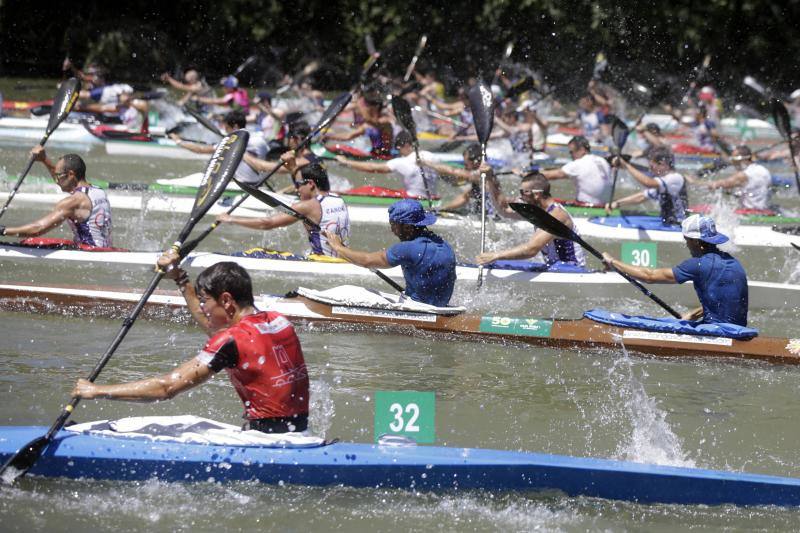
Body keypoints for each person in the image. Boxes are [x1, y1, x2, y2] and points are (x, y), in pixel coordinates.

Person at [72, 261, 310, 434]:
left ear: (226, 300)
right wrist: (180, 278)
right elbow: (220, 331)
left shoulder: (230, 340)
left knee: (159, 429)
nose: (203, 308)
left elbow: (167, 388)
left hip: (263, 439)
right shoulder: (278, 321)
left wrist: (97, 391)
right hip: (297, 432)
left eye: (205, 300)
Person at [601, 214, 748, 326]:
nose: (687, 245)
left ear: (696, 241)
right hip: (739, 330)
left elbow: (649, 276)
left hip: (716, 332)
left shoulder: (697, 264)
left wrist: (613, 262)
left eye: (687, 240)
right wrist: (693, 314)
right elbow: (725, 300)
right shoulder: (734, 263)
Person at [323, 199, 456, 306]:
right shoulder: (445, 245)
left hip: (419, 308)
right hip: (441, 308)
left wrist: (338, 247)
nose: (392, 230)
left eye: (393, 225)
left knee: (349, 290)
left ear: (407, 227)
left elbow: (367, 260)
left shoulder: (407, 248)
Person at [216, 156, 350, 258]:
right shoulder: (338, 199)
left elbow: (267, 223)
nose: (297, 190)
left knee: (258, 253)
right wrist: (293, 168)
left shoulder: (308, 207)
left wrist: (231, 219)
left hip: (321, 262)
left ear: (310, 184)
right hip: (343, 258)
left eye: (298, 185)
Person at [0, 147, 112, 247]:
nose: (57, 181)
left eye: (58, 176)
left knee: (30, 242)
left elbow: (37, 228)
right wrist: (44, 159)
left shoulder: (73, 202)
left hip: (89, 254)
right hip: (104, 249)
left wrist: (3, 230)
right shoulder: (98, 191)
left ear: (71, 175)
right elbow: (64, 181)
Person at [475, 173, 586, 268]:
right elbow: (504, 209)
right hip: (555, 268)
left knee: (499, 260)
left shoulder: (556, 215)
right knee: (500, 264)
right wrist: (490, 178)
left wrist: (496, 255)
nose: (521, 197)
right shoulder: (538, 211)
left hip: (571, 270)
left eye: (524, 192)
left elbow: (531, 249)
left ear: (537, 194)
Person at [170, 110, 267, 185]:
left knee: (201, 177)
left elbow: (200, 150)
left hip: (241, 186)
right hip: (257, 184)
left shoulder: (230, 142)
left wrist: (178, 141)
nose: (225, 131)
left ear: (235, 127)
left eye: (226, 128)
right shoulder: (260, 140)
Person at [334, 131, 438, 199]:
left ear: (406, 145)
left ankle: (339, 194)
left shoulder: (401, 161)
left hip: (412, 198)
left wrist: (346, 162)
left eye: (398, 149)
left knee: (371, 189)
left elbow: (372, 168)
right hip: (431, 197)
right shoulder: (431, 156)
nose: (399, 152)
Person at [606, 145, 688, 226]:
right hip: (669, 224)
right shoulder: (664, 182)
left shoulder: (675, 178)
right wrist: (617, 203)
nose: (651, 170)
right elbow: (642, 197)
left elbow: (648, 183)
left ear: (662, 164)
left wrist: (627, 166)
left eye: (652, 167)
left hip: (679, 225)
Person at [420, 143, 501, 216]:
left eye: (466, 164)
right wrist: (442, 209)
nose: (465, 167)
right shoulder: (479, 181)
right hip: (482, 215)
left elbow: (453, 171)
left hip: (492, 217)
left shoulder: (483, 176)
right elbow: (464, 197)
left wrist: (426, 163)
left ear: (476, 162)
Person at [541, 135, 612, 205]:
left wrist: (531, 175)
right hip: (605, 206)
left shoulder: (578, 164)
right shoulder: (602, 160)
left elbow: (551, 175)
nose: (571, 156)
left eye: (571, 152)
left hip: (585, 207)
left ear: (582, 150)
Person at [323, 90, 394, 158]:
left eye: (368, 107)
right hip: (372, 154)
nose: (366, 110)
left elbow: (369, 119)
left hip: (384, 155)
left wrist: (360, 104)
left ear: (376, 107)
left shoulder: (385, 121)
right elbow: (348, 136)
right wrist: (329, 137)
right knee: (338, 148)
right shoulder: (367, 125)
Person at [705, 145, 772, 211]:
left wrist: (696, 182)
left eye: (733, 159)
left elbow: (717, 185)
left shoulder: (742, 175)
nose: (732, 162)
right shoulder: (763, 170)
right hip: (764, 209)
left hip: (749, 211)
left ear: (740, 159)